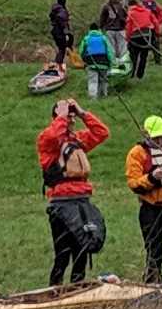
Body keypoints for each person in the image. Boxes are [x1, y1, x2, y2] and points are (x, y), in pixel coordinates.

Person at [38, 99, 111, 286]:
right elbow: (54, 136)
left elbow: (102, 133)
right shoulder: (47, 140)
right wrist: (61, 115)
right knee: (62, 255)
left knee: (81, 253)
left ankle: (77, 294)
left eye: (71, 117)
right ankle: (54, 293)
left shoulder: (77, 140)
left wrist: (82, 113)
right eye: (66, 116)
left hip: (82, 202)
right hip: (61, 205)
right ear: (56, 118)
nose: (70, 120)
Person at [124, 115, 162, 285]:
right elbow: (134, 183)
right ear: (145, 136)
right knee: (154, 248)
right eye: (154, 138)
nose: (158, 141)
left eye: (161, 137)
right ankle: (153, 280)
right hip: (150, 208)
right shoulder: (136, 154)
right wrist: (152, 178)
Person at [124, 0, 158, 83]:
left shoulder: (131, 13)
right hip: (147, 35)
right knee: (144, 56)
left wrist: (127, 38)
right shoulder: (147, 11)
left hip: (135, 36)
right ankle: (140, 75)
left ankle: (132, 74)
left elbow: (128, 26)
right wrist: (157, 33)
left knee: (133, 56)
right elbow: (155, 22)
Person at [80, 22, 112, 98]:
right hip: (104, 63)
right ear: (98, 29)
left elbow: (81, 51)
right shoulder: (104, 38)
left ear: (90, 30)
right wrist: (110, 63)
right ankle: (104, 95)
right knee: (103, 80)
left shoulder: (86, 39)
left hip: (91, 63)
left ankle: (93, 97)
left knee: (92, 81)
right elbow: (109, 52)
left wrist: (84, 60)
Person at [99, 0, 130, 64]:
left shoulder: (122, 6)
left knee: (122, 48)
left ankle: (122, 63)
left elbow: (128, 16)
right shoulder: (106, 6)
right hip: (110, 29)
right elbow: (102, 18)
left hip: (121, 29)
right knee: (111, 48)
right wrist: (101, 27)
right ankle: (114, 63)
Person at [50, 0, 73, 68]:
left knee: (61, 48)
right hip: (60, 32)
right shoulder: (62, 11)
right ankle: (58, 64)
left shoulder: (55, 10)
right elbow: (63, 22)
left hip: (55, 31)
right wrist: (66, 33)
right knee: (62, 48)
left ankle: (57, 62)